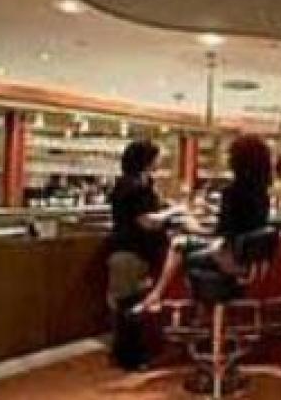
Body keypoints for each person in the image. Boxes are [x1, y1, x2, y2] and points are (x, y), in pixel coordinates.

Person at [139, 134, 272, 312]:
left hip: (227, 259)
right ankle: (167, 299)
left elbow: (220, 232)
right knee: (189, 245)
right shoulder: (262, 193)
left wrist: (192, 226)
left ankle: (157, 295)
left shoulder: (232, 192)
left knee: (179, 244)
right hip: (247, 262)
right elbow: (240, 226)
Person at [107, 139, 185, 370]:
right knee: (129, 306)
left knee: (130, 304)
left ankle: (130, 356)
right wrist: (174, 211)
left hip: (132, 252)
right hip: (129, 253)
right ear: (147, 160)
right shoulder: (133, 187)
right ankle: (130, 359)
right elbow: (147, 221)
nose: (160, 161)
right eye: (157, 157)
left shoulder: (139, 184)